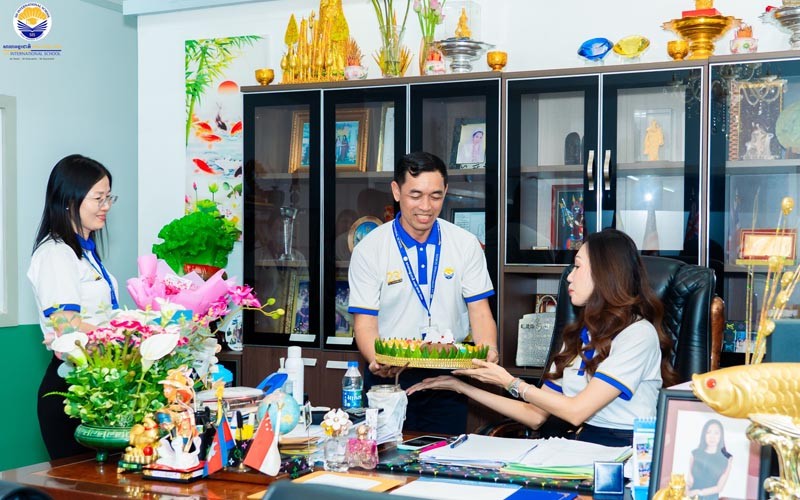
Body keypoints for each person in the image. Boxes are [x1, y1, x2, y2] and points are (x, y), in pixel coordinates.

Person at [408, 228, 678, 446]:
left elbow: (576, 411)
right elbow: (535, 416)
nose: (569, 277)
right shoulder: (580, 334)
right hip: (580, 445)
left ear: (604, 274)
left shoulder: (637, 335)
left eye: (577, 267)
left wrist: (509, 381)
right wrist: (461, 388)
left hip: (624, 451)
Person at [348, 151, 498, 435]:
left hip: (448, 377)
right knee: (386, 452)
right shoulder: (370, 249)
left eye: (435, 196)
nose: (426, 207)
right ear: (396, 191)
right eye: (415, 195)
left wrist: (489, 351)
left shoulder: (465, 244)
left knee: (443, 452)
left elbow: (480, 312)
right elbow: (365, 323)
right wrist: (377, 360)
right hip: (391, 377)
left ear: (446, 192)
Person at [27, 154, 120, 459]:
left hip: (100, 383)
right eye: (98, 198)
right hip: (72, 388)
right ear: (70, 200)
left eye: (108, 197)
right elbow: (66, 326)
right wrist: (127, 339)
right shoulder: (55, 253)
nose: (106, 206)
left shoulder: (84, 252)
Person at [685, 419, 733, 500]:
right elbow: (690, 480)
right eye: (708, 432)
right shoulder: (695, 454)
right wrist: (686, 488)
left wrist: (698, 492)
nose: (712, 437)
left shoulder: (727, 458)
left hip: (711, 497)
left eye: (716, 433)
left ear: (721, 436)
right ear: (704, 435)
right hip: (692, 497)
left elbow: (719, 487)